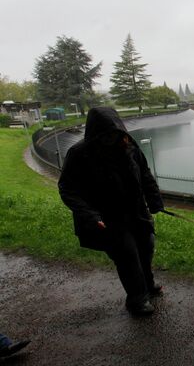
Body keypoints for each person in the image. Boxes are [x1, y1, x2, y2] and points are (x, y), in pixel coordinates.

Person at [58, 107, 165, 316]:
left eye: (114, 133)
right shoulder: (79, 154)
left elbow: (145, 174)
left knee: (147, 245)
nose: (110, 138)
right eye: (105, 135)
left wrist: (155, 201)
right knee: (127, 254)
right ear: (95, 134)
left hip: (136, 212)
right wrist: (90, 216)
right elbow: (67, 189)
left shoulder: (130, 147)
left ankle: (148, 285)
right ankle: (136, 299)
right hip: (107, 219)